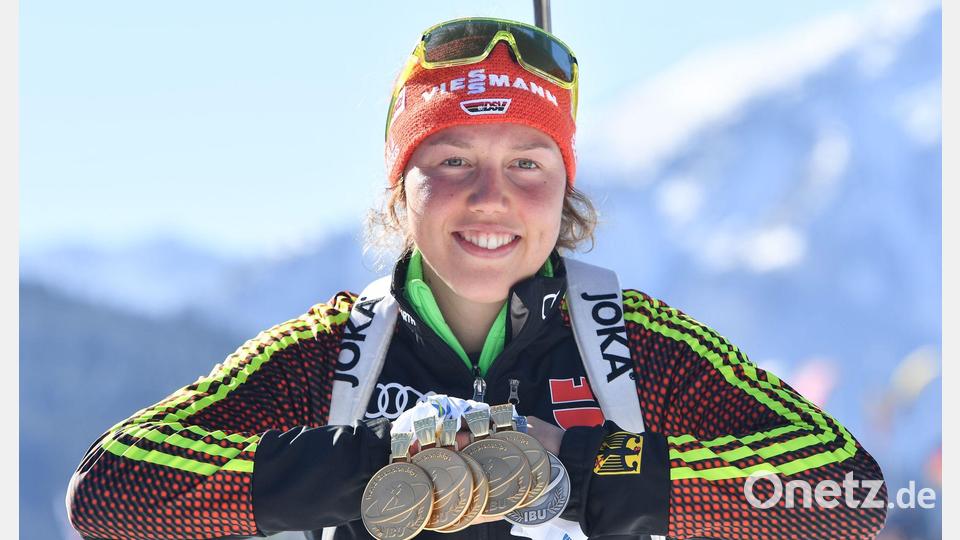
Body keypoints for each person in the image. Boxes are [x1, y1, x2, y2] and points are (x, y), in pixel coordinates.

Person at [65, 17, 889, 540]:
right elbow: (111, 491)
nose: (491, 197)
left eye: (527, 164)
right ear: (400, 186)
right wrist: (388, 465)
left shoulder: (636, 348)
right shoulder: (329, 356)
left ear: (566, 190)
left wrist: (570, 465)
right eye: (451, 159)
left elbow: (842, 495)